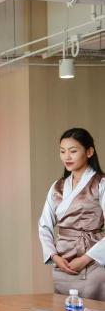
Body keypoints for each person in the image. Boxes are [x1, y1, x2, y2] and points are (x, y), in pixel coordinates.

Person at [38, 127, 105, 300]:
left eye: (73, 151)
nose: (67, 157)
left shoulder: (101, 183)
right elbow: (44, 225)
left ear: (89, 152)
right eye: (62, 151)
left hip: (93, 263)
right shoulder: (57, 186)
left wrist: (85, 259)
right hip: (62, 263)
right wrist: (54, 256)